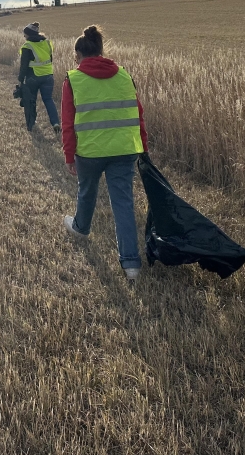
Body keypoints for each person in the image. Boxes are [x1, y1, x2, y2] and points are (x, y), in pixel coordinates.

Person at [61, 25, 148, 281]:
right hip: (124, 149)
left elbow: (68, 123)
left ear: (79, 56)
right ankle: (131, 263)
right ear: (101, 51)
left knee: (87, 191)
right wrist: (142, 146)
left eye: (75, 58)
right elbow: (138, 114)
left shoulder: (73, 79)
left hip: (89, 151)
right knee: (123, 202)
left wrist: (69, 155)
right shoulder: (123, 74)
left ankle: (81, 228)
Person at [18, 22, 59, 136]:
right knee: (48, 99)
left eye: (25, 34)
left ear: (29, 35)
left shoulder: (27, 46)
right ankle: (55, 123)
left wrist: (20, 79)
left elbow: (23, 66)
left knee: (31, 101)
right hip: (48, 76)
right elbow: (50, 59)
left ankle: (31, 124)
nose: (24, 37)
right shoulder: (47, 43)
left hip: (33, 77)